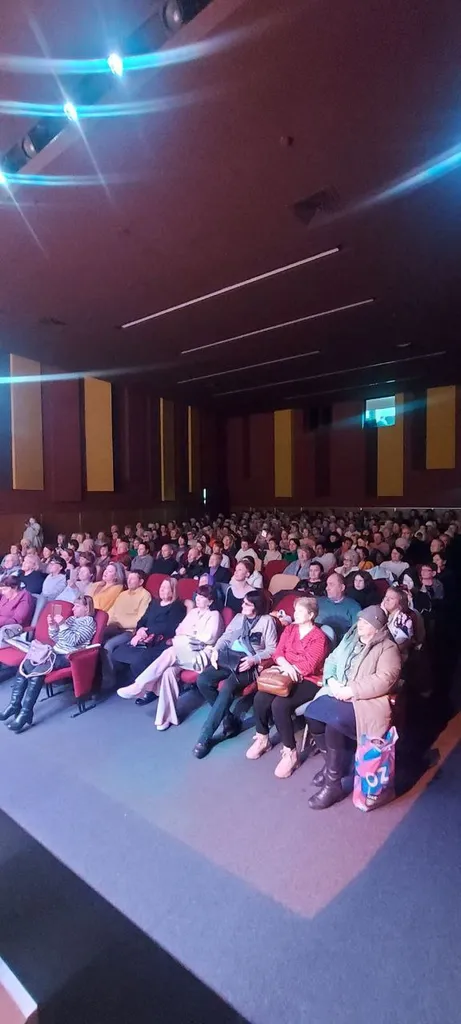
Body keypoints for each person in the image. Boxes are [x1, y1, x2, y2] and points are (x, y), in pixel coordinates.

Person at [305, 605, 401, 809]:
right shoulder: (350, 638)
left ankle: (333, 784)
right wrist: (332, 681)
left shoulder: (388, 648)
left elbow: (386, 679)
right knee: (312, 713)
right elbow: (332, 659)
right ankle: (332, 764)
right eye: (360, 621)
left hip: (366, 701)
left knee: (333, 723)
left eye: (365, 622)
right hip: (339, 691)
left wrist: (351, 690)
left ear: (377, 627)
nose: (359, 625)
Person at [118, 585, 223, 729]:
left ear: (210, 601)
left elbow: (209, 637)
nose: (198, 599)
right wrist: (191, 635)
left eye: (202, 597)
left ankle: (139, 685)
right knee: (168, 673)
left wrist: (189, 635)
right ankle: (166, 717)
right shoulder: (193, 612)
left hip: (200, 655)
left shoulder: (214, 615)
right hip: (184, 652)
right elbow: (179, 630)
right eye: (197, 596)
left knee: (170, 652)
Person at [246, 597, 329, 777]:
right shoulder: (290, 629)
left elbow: (309, 666)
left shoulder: (319, 637)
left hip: (309, 679)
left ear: (311, 615)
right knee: (260, 698)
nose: (295, 614)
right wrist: (287, 666)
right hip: (285, 673)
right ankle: (262, 738)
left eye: (299, 611)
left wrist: (291, 668)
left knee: (280, 705)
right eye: (295, 610)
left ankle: (290, 752)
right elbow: (278, 652)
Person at [193, 590, 278, 759]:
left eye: (247, 604)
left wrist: (254, 659)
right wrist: (216, 651)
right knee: (203, 680)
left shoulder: (267, 621)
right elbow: (226, 637)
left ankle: (205, 736)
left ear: (256, 607)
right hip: (230, 659)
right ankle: (229, 720)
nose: (242, 605)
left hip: (249, 664)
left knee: (228, 687)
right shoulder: (239, 618)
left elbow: (272, 648)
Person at [0, 596, 97, 733]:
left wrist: (62, 624)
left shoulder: (89, 622)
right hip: (55, 650)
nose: (73, 609)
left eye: (77, 606)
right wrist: (53, 626)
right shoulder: (71, 619)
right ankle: (14, 705)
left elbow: (73, 641)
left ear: (86, 608)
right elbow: (56, 638)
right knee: (25, 666)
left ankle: (26, 712)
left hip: (69, 656)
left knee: (37, 672)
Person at [112, 577, 186, 691]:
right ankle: (131, 683)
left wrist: (146, 632)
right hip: (144, 638)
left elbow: (169, 628)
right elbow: (143, 620)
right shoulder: (155, 603)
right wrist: (140, 630)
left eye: (166, 588)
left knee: (139, 661)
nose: (162, 589)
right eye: (161, 587)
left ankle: (147, 690)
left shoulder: (177, 607)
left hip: (161, 642)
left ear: (173, 591)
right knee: (118, 653)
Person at [100, 571, 151, 687]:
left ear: (141, 582)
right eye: (128, 578)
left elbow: (140, 620)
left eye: (133, 579)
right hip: (115, 627)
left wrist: (120, 622)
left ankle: (110, 681)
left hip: (130, 631)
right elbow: (112, 612)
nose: (129, 580)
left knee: (108, 646)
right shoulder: (122, 594)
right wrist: (105, 623)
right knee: (97, 639)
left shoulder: (145, 595)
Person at [315, 573, 360, 641]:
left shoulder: (353, 607)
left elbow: (356, 632)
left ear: (342, 587)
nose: (327, 588)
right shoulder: (319, 602)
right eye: (327, 584)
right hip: (314, 640)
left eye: (331, 584)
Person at [32, 556, 68, 621]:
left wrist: (43, 597)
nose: (50, 565)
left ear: (60, 567)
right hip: (43, 597)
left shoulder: (63, 578)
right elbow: (44, 590)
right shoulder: (49, 576)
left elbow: (55, 594)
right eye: (50, 563)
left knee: (41, 600)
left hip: (54, 602)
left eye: (53, 564)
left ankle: (34, 624)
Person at [381, 586, 414, 654]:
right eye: (386, 597)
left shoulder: (404, 619)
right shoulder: (380, 614)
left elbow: (401, 646)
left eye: (391, 598)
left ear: (400, 603)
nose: (386, 600)